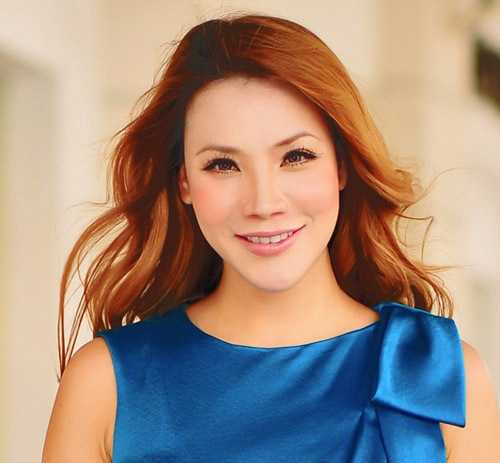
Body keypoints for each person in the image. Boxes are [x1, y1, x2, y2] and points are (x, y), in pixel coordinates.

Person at [42, 11, 500, 463]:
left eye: (296, 157)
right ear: (184, 182)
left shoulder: (440, 377)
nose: (263, 202)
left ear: (342, 165)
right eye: (223, 164)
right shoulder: (105, 386)